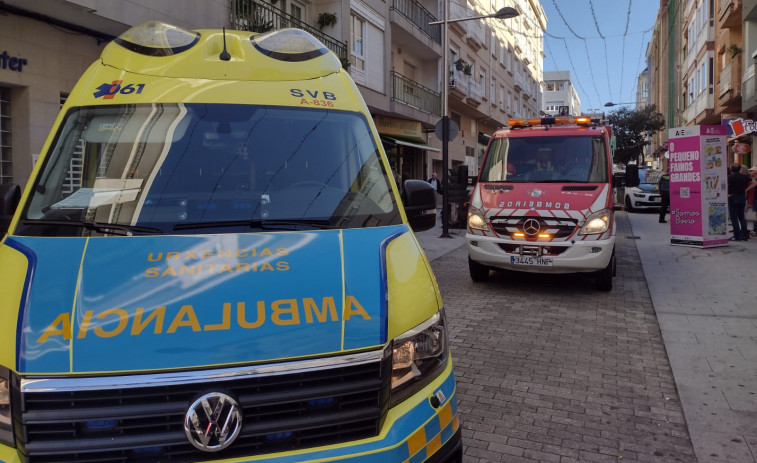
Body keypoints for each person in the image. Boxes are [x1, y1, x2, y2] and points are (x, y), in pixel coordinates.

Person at [727, 163, 750, 241]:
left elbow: (724, 186)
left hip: (733, 198)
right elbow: (754, 182)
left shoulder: (729, 177)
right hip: (742, 197)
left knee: (734, 218)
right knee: (742, 217)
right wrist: (746, 189)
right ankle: (745, 235)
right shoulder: (744, 177)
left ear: (731, 169)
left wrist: (728, 194)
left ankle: (737, 236)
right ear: (740, 169)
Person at [747, 166, 757, 235]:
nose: (750, 172)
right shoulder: (752, 179)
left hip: (755, 198)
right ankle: (754, 229)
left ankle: (755, 230)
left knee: (755, 213)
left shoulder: (755, 180)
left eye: (751, 171)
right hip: (754, 198)